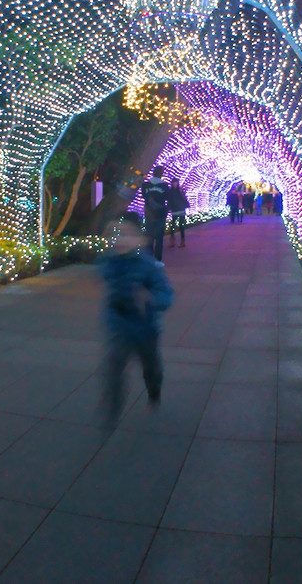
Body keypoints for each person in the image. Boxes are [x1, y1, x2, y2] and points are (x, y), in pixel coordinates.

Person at [97, 212, 174, 430]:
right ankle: (113, 407)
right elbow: (104, 273)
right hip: (119, 326)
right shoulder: (109, 261)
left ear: (141, 240)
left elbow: (165, 293)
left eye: (127, 234)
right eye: (114, 234)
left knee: (151, 367)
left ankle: (154, 391)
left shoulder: (149, 265)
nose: (119, 239)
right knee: (114, 367)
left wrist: (152, 300)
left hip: (145, 328)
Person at [140, 165, 170, 260]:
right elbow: (168, 198)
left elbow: (144, 196)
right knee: (159, 238)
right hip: (160, 214)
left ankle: (149, 259)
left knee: (149, 237)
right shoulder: (164, 186)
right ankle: (157, 259)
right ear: (161, 174)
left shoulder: (145, 185)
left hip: (149, 214)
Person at [167, 178, 189, 247]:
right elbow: (169, 200)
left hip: (181, 209)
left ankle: (182, 241)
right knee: (172, 225)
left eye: (176, 182)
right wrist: (168, 208)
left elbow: (184, 198)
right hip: (174, 209)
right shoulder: (170, 191)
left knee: (181, 225)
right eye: (174, 182)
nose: (175, 184)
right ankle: (172, 241)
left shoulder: (180, 190)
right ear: (172, 183)